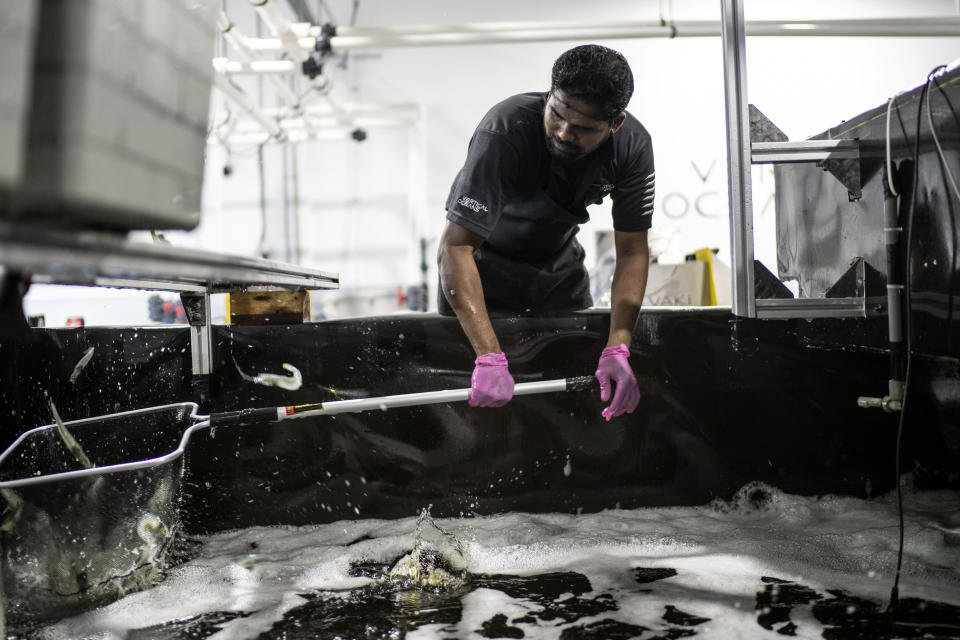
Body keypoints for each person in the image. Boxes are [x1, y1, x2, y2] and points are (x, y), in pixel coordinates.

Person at [437, 44, 653, 421]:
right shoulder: (506, 129)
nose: (565, 133)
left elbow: (633, 251)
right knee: (476, 414)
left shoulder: (632, 147)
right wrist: (488, 355)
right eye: (557, 114)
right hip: (480, 270)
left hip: (558, 271)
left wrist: (619, 345)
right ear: (549, 94)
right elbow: (455, 248)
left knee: (566, 404)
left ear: (615, 123)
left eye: (584, 129)